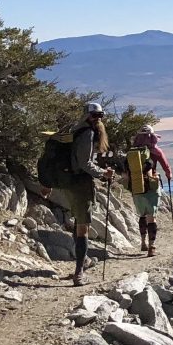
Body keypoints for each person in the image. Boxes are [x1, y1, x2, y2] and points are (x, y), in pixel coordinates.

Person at [69, 101, 114, 286]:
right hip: (80, 183)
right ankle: (79, 273)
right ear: (87, 116)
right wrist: (103, 173)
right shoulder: (87, 133)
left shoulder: (75, 130)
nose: (98, 119)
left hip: (70, 182)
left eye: (100, 115)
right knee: (83, 227)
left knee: (79, 223)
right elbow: (84, 163)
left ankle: (83, 261)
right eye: (95, 115)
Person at [127, 125, 172, 257]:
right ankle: (152, 247)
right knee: (151, 217)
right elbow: (166, 167)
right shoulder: (156, 151)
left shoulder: (132, 152)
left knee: (142, 215)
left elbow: (125, 171)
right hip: (152, 186)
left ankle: (142, 243)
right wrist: (168, 176)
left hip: (136, 186)